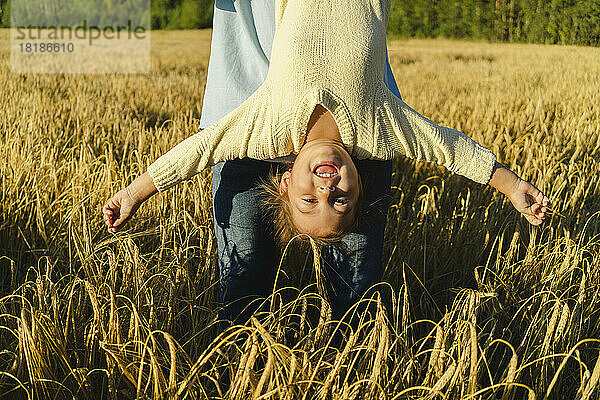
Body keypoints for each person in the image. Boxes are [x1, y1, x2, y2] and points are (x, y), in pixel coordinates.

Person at [103, 0, 549, 323]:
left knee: (246, 291)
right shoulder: (379, 125)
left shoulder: (268, 120)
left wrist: (135, 191)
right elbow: (447, 147)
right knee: (351, 297)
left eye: (310, 201)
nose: (326, 190)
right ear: (361, 185)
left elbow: (201, 150)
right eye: (340, 201)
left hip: (244, 80)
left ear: (282, 180)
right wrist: (510, 185)